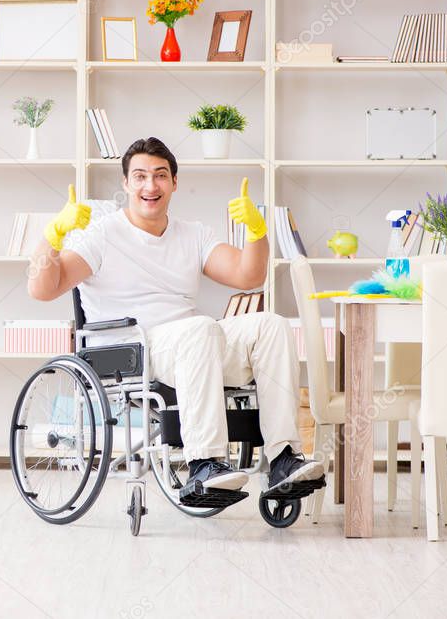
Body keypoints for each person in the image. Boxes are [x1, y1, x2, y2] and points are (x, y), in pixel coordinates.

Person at [27, 136, 323, 507]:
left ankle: (282, 459)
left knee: (272, 324)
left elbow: (248, 276)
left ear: (174, 183)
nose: (150, 186)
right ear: (126, 184)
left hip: (194, 345)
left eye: (160, 176)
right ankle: (205, 462)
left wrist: (257, 233)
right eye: (139, 176)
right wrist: (52, 237)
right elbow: (43, 288)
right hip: (133, 349)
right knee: (199, 329)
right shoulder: (101, 235)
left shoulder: (193, 234)